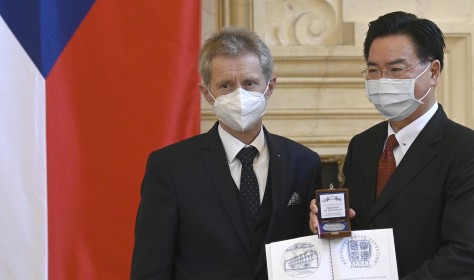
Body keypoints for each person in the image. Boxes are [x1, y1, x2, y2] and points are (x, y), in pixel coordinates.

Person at [131, 26, 322, 280]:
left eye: (250, 83)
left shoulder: (304, 162)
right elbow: (151, 270)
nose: (239, 95)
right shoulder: (169, 167)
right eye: (225, 85)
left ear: (270, 86)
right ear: (207, 94)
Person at [309, 11, 474, 279]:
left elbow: (465, 254)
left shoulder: (464, 149)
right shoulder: (362, 146)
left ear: (433, 71)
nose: (382, 80)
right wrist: (331, 225)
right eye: (373, 70)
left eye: (396, 70)